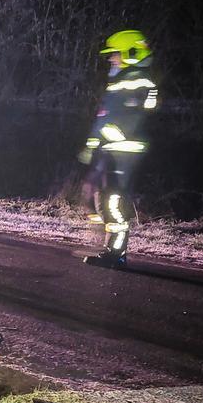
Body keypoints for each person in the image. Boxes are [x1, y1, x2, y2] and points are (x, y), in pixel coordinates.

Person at [79, 29, 159, 267]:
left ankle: (116, 253)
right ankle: (112, 250)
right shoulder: (122, 79)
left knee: (114, 199)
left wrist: (111, 135)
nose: (111, 59)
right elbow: (105, 117)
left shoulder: (139, 80)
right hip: (112, 148)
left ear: (131, 53)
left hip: (125, 151)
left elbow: (136, 116)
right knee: (105, 198)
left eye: (115, 54)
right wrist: (92, 146)